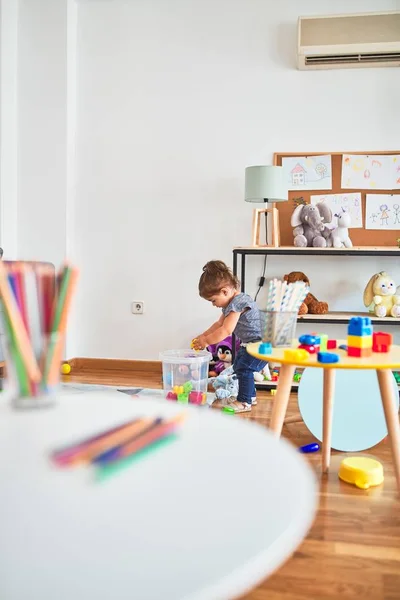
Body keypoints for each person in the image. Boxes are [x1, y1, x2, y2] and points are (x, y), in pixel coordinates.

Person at [193, 260, 267, 413]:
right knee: (240, 366)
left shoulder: (237, 304)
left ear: (225, 291)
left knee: (244, 369)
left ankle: (244, 401)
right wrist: (203, 335)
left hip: (261, 344)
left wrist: (207, 341)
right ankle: (250, 396)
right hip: (250, 343)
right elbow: (218, 324)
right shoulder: (230, 305)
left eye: (213, 300)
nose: (213, 304)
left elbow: (226, 330)